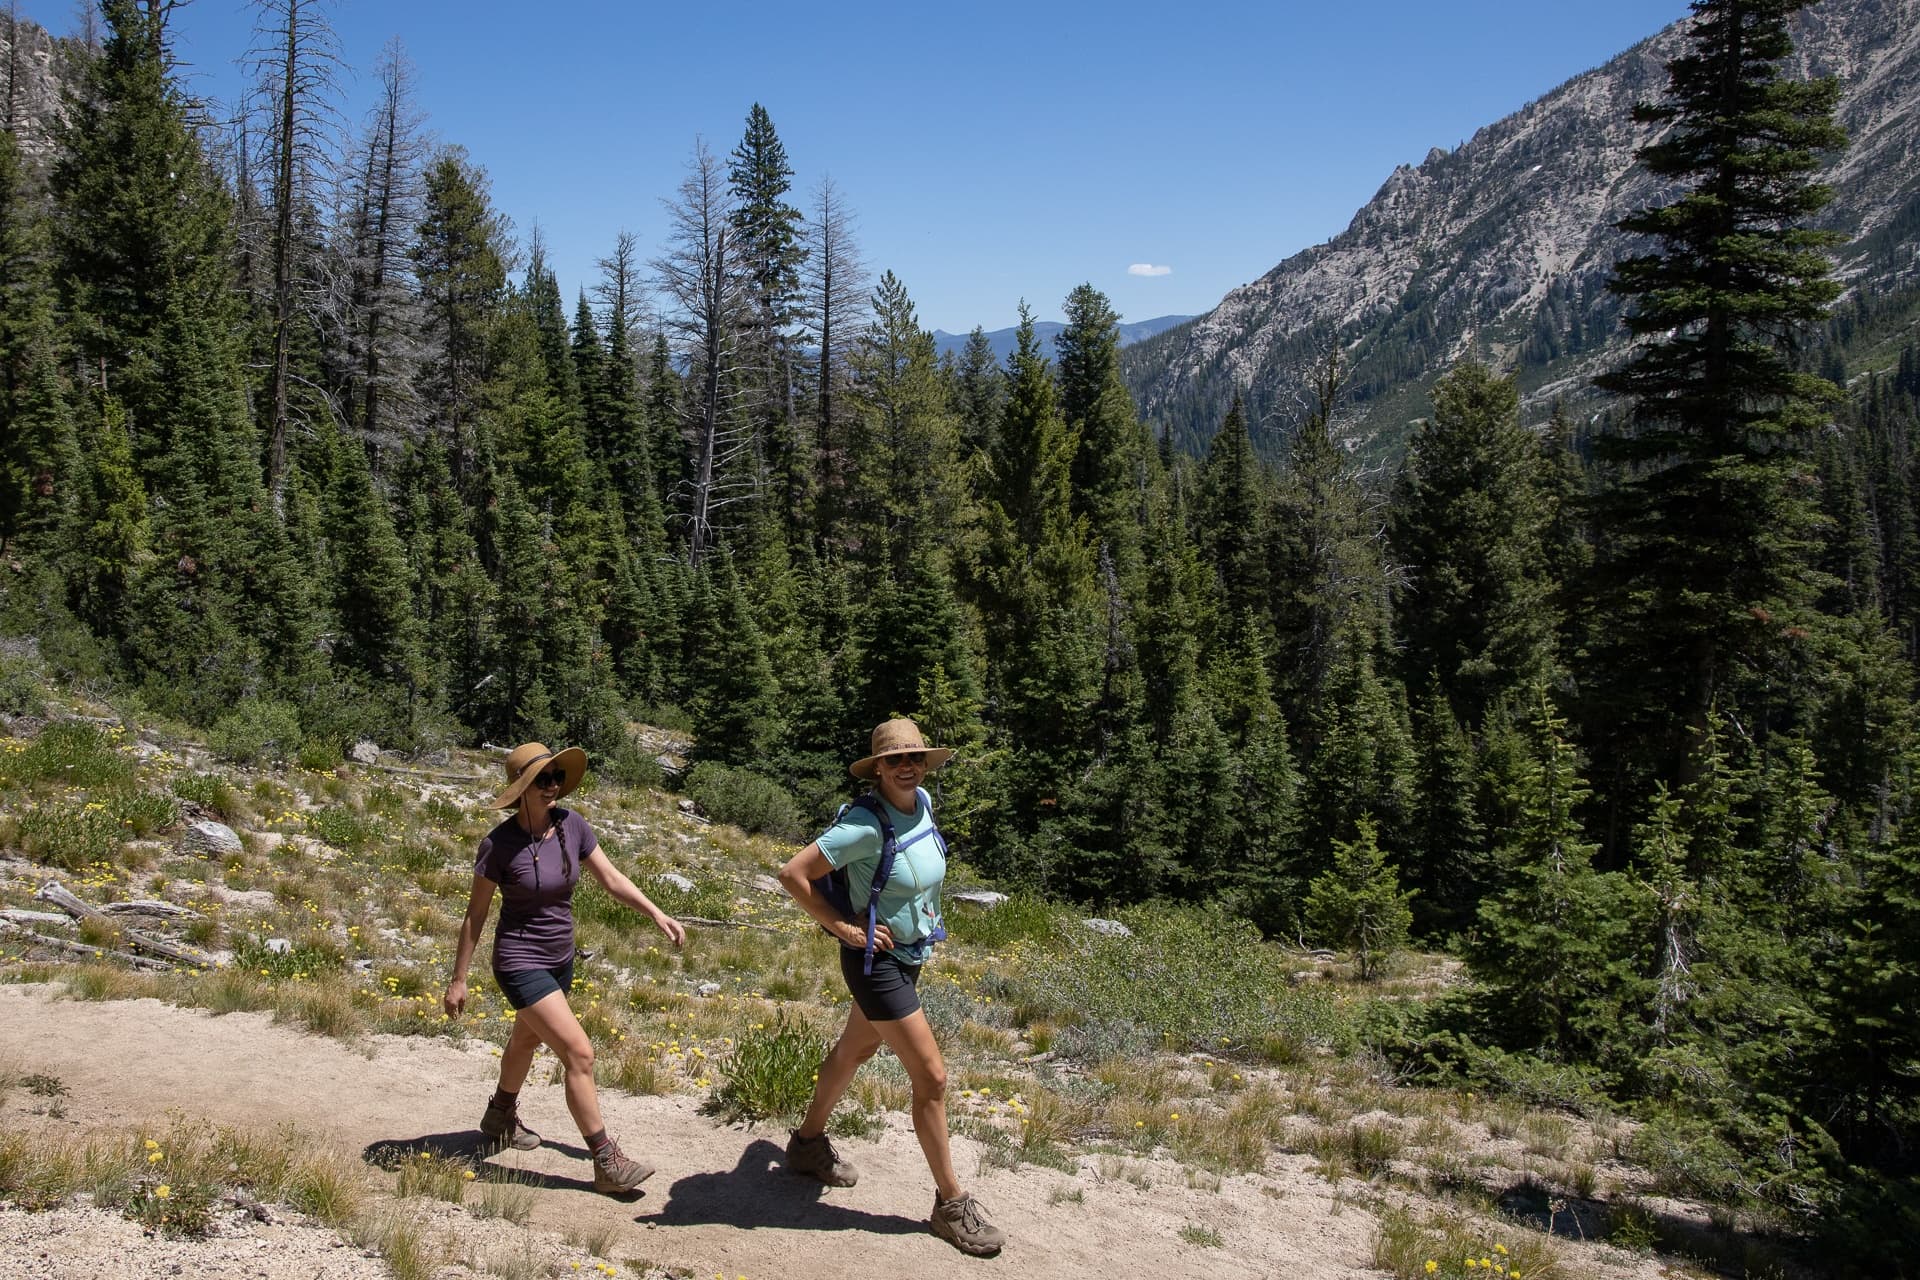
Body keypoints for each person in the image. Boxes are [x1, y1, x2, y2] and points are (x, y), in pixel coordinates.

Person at [776, 718, 1006, 1256]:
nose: (908, 767)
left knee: (854, 1050)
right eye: (895, 760)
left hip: (907, 957)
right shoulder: (863, 824)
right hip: (875, 963)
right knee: (932, 1077)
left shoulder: (921, 802)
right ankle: (951, 1204)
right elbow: (793, 874)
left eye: (915, 758)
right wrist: (843, 927)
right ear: (877, 768)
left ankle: (806, 1145)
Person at [444, 741, 687, 1194]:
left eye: (556, 777)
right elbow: (475, 914)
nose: (553, 786)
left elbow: (612, 879)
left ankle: (499, 1116)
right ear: (521, 789)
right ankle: (606, 1161)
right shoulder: (497, 845)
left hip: (560, 959)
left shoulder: (572, 826)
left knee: (526, 1038)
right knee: (579, 1053)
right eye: (542, 780)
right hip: (519, 961)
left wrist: (656, 913)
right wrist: (459, 979)